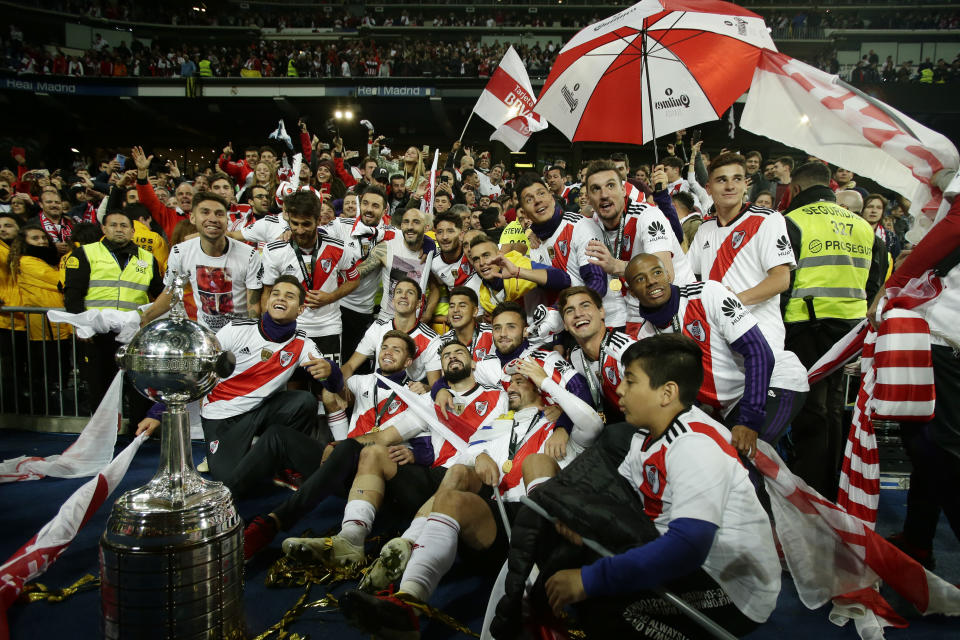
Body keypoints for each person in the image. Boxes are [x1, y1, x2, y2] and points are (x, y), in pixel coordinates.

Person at [337, 355, 603, 637]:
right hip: (501, 522)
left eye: (520, 382)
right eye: (509, 381)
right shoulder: (499, 424)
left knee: (536, 462)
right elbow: (468, 452)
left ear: (540, 389)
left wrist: (545, 381)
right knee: (458, 477)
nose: (510, 386)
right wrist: (481, 457)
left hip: (548, 530)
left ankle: (540, 566)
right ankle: (408, 601)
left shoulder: (564, 427)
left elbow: (594, 425)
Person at [539, 335, 781, 638]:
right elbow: (617, 497)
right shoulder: (643, 436)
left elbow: (687, 548)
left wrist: (591, 580)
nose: (619, 389)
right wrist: (583, 524)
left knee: (606, 603)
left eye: (630, 381)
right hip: (686, 553)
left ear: (667, 393)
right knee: (579, 551)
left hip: (733, 586)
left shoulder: (695, 444)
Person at [279, 338, 509, 570]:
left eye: (459, 352)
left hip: (470, 481)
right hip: (433, 477)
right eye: (446, 355)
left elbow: (490, 441)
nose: (452, 356)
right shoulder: (427, 401)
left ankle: (410, 543)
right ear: (441, 367)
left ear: (473, 363)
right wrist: (342, 445)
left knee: (458, 471)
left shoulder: (498, 396)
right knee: (374, 453)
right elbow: (385, 436)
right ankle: (350, 538)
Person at [138, 276, 332, 488]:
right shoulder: (236, 329)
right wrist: (156, 412)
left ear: (301, 309)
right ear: (267, 301)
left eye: (290, 296)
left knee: (304, 401)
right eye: (275, 293)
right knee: (230, 483)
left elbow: (332, 382)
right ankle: (256, 449)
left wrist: (330, 372)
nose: (281, 299)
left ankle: (280, 462)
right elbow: (197, 370)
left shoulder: (302, 343)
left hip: (259, 411)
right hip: (221, 415)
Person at [625, 254, 808, 458]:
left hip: (776, 381)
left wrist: (749, 420)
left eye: (657, 272)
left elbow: (759, 353)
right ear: (631, 292)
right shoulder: (646, 340)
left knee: (744, 460)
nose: (652, 281)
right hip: (730, 409)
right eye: (640, 279)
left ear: (668, 275)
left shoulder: (708, 293)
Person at [782, 162, 888, 497]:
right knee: (832, 412)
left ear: (796, 190)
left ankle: (810, 495)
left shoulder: (792, 221)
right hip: (850, 332)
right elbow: (877, 282)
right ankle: (832, 488)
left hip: (805, 325)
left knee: (810, 411)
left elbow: (784, 281)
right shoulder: (865, 227)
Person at [688, 152, 796, 351]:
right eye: (722, 180)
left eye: (737, 179)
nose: (730, 186)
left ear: (745, 184)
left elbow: (781, 280)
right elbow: (688, 277)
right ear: (708, 189)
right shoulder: (705, 228)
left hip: (760, 334)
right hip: (717, 338)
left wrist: (731, 302)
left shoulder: (768, 220)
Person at [62, 209, 164, 415]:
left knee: (139, 388)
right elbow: (73, 295)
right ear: (104, 228)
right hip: (97, 335)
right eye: (114, 225)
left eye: (124, 226)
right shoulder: (85, 253)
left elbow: (159, 294)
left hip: (133, 336)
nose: (119, 229)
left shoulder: (148, 259)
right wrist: (81, 326)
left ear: (133, 231)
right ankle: (104, 437)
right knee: (100, 388)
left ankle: (137, 433)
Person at [580, 159, 693, 331]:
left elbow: (665, 274)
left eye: (611, 186)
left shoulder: (649, 216)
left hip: (679, 304)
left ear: (623, 190)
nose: (604, 194)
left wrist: (616, 265)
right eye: (596, 189)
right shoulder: (590, 224)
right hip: (637, 307)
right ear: (588, 198)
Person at [260, 191, 360, 364]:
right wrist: (269, 328)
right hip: (290, 327)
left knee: (327, 386)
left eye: (306, 224)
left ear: (318, 220)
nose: (299, 230)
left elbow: (354, 279)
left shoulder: (339, 248)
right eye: (295, 224)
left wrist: (331, 297)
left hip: (328, 327)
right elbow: (267, 292)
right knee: (293, 385)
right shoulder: (274, 250)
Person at [140, 192, 262, 331]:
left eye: (219, 214)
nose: (213, 218)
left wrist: (251, 338)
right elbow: (172, 294)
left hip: (240, 335)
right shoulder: (180, 252)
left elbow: (253, 307)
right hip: (205, 337)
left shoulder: (250, 255)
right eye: (205, 212)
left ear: (227, 220)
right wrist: (144, 318)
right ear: (192, 217)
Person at [323, 185, 397, 367]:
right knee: (331, 364)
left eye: (375, 206)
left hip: (362, 313)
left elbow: (418, 238)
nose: (369, 209)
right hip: (334, 306)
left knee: (354, 367)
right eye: (365, 203)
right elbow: (316, 234)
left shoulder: (391, 235)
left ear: (384, 210)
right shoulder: (341, 226)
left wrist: (427, 246)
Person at [339, 278, 442, 401]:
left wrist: (427, 388)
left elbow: (436, 387)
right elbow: (350, 365)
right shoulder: (378, 327)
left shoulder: (431, 339)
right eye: (399, 292)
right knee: (330, 393)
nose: (403, 296)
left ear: (419, 303)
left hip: (408, 400)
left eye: (410, 293)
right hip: (376, 394)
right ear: (393, 301)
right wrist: (337, 383)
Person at [8, 222, 72, 411]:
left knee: (57, 367)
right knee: (47, 369)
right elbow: (58, 280)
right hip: (43, 326)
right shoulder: (26, 261)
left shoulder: (44, 261)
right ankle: (47, 407)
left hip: (55, 324)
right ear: (24, 242)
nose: (42, 241)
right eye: (35, 238)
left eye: (44, 238)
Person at [515, 173, 608, 301]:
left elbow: (597, 283)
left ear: (552, 198)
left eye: (541, 193)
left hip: (596, 315)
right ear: (524, 213)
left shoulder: (579, 226)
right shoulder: (531, 242)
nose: (537, 200)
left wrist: (560, 311)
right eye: (529, 200)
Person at [561, 286, 636, 424]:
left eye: (585, 306)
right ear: (565, 324)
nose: (578, 314)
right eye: (569, 311)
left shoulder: (625, 351)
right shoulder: (575, 356)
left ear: (601, 311)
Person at [354, 206, 438, 323]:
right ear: (401, 226)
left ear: (426, 227)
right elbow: (356, 274)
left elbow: (435, 288)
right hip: (386, 321)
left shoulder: (431, 252)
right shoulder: (386, 248)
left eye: (416, 222)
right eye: (406, 222)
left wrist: (428, 313)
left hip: (415, 323)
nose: (410, 227)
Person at [132, 145, 194, 239]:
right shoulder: (168, 216)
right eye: (180, 194)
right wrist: (142, 171)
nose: (184, 196)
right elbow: (149, 200)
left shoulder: (205, 214)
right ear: (176, 197)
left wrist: (178, 179)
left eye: (189, 194)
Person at [437, 286, 494, 361]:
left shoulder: (492, 334)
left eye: (462, 306)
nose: (455, 310)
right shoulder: (442, 342)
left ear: (475, 311)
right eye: (452, 306)